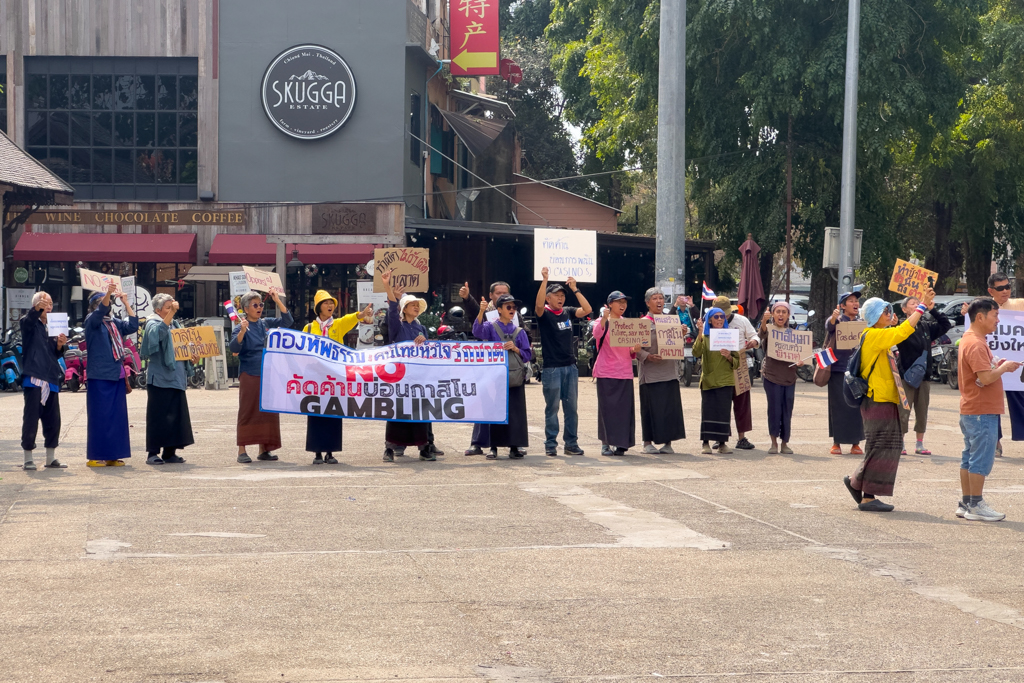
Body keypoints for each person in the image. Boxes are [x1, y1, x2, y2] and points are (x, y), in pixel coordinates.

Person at [842, 291, 934, 512]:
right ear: (874, 316)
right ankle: (866, 496)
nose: (889, 313)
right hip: (877, 399)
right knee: (880, 447)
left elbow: (898, 334)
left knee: (887, 447)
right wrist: (920, 308)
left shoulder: (879, 334)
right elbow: (902, 331)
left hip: (885, 398)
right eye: (884, 311)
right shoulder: (873, 335)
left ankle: (857, 483)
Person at [956, 297, 1020, 521]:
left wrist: (999, 364)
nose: (998, 320)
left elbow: (983, 372)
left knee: (969, 457)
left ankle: (966, 502)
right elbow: (985, 377)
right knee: (981, 459)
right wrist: (1003, 368)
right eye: (995, 315)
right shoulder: (975, 343)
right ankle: (975, 504)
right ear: (980, 317)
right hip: (981, 410)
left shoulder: (973, 340)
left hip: (973, 409)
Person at [302, 290, 373, 465]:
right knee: (316, 413)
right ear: (318, 307)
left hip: (333, 379)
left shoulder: (337, 325)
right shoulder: (309, 328)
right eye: (326, 303)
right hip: (316, 379)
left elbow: (349, 319)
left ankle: (330, 452)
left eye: (331, 303)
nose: (330, 306)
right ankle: (317, 452)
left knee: (333, 412)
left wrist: (361, 315)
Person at [534, 267, 592, 456]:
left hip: (571, 367)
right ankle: (551, 444)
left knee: (571, 409)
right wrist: (544, 281)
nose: (560, 298)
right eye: (556, 295)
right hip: (552, 369)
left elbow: (588, 310)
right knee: (552, 408)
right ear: (548, 298)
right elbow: (538, 306)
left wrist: (575, 289)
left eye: (562, 295)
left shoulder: (567, 311)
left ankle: (571, 443)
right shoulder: (545, 314)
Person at [229, 290, 292, 464]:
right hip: (250, 372)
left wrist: (277, 300)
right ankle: (242, 449)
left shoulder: (266, 323)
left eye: (261, 305)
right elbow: (234, 347)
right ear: (246, 309)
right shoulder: (241, 326)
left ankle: (264, 449)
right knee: (248, 409)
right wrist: (242, 331)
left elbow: (287, 321)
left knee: (269, 410)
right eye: (255, 305)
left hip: (269, 372)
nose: (259, 308)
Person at [381, 269, 434, 462]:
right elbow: (392, 309)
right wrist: (387, 286)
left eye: (417, 305)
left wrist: (424, 341)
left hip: (419, 375)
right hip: (400, 376)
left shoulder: (421, 328)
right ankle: (390, 448)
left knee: (421, 409)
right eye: (411, 304)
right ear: (404, 308)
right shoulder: (397, 325)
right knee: (396, 410)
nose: (415, 307)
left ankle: (424, 447)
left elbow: (428, 352)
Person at [84, 283, 139, 467]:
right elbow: (101, 310)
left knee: (117, 418)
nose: (107, 305)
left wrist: (125, 303)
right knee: (99, 416)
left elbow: (132, 325)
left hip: (116, 375)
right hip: (99, 376)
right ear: (94, 306)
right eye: (101, 302)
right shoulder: (92, 321)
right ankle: (95, 456)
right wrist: (108, 292)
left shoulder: (114, 323)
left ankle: (112, 455)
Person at [473, 293, 533, 459]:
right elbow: (477, 331)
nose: (512, 310)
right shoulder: (490, 326)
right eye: (508, 307)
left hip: (514, 377)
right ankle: (493, 447)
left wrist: (515, 349)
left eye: (514, 307)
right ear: (499, 309)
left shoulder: (519, 332)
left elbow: (527, 355)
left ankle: (514, 446)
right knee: (495, 411)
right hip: (495, 376)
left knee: (516, 413)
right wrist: (480, 311)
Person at [461, 279, 515, 456]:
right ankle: (478, 442)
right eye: (498, 293)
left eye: (505, 293)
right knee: (483, 402)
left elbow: (524, 334)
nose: (502, 296)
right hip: (485, 365)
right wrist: (468, 298)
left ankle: (513, 442)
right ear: (491, 295)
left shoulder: (513, 312)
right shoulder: (485, 310)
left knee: (508, 405)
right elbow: (474, 312)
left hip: (508, 366)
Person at [140, 293, 194, 465]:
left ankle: (170, 452)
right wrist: (171, 314)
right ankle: (153, 453)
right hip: (160, 379)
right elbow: (157, 336)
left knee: (176, 416)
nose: (172, 311)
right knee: (158, 417)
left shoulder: (175, 324)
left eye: (173, 307)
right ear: (158, 310)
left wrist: (190, 357)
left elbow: (181, 346)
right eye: (168, 308)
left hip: (176, 377)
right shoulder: (152, 323)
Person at [896, 295, 951, 455]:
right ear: (904, 309)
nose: (916, 306)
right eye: (912, 304)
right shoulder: (901, 327)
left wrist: (933, 309)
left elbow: (945, 324)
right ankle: (901, 443)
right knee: (903, 410)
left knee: (922, 410)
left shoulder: (926, 326)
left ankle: (919, 443)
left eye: (918, 304)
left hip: (924, 376)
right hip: (906, 375)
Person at [20, 292, 68, 470]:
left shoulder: (53, 327)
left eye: (50, 303)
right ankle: (28, 458)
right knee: (31, 419)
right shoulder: (29, 323)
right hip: (34, 377)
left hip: (51, 378)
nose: (48, 306)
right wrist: (35, 309)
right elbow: (27, 322)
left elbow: (54, 354)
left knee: (53, 420)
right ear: (36, 305)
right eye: (44, 303)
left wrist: (59, 346)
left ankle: (50, 457)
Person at [638, 287, 686, 453]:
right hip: (650, 374)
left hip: (669, 372)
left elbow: (677, 344)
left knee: (669, 409)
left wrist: (682, 334)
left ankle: (668, 443)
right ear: (647, 302)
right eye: (655, 298)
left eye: (661, 298)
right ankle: (647, 443)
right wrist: (647, 356)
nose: (659, 301)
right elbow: (635, 349)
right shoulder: (643, 322)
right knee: (650, 409)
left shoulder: (670, 321)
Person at [590, 291, 637, 455]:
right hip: (606, 371)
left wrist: (636, 349)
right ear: (610, 304)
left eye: (624, 302)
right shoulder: (602, 322)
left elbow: (631, 351)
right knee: (606, 410)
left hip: (624, 372)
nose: (622, 305)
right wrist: (604, 318)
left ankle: (622, 443)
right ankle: (605, 443)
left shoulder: (628, 324)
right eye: (619, 302)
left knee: (624, 411)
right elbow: (596, 334)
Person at [693, 307, 741, 454]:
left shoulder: (729, 336)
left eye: (722, 317)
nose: (720, 319)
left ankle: (722, 443)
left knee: (723, 412)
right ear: (710, 320)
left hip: (726, 380)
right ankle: (705, 443)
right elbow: (696, 352)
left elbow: (737, 362)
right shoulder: (706, 337)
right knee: (708, 412)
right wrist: (700, 333)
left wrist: (728, 356)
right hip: (709, 380)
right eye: (716, 317)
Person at [714, 295, 757, 449]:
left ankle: (742, 437)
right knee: (720, 403)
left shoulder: (741, 320)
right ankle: (720, 437)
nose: (722, 317)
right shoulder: (710, 321)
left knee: (742, 402)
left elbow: (754, 335)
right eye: (719, 314)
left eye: (725, 313)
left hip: (740, 363)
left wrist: (754, 341)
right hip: (719, 365)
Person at [758, 302, 801, 454]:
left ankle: (785, 443)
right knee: (774, 410)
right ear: (773, 315)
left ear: (788, 315)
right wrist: (764, 320)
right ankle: (773, 442)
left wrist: (801, 361)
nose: (781, 315)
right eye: (778, 312)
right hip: (772, 376)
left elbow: (800, 353)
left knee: (787, 410)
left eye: (784, 312)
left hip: (789, 378)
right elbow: (761, 335)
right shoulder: (769, 330)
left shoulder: (793, 334)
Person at [826, 292, 865, 455]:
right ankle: (837, 442)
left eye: (856, 301)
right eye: (851, 301)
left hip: (857, 371)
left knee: (856, 407)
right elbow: (829, 326)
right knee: (838, 406)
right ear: (842, 306)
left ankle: (855, 443)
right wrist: (833, 318)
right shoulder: (838, 320)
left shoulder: (862, 323)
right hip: (838, 370)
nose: (855, 303)